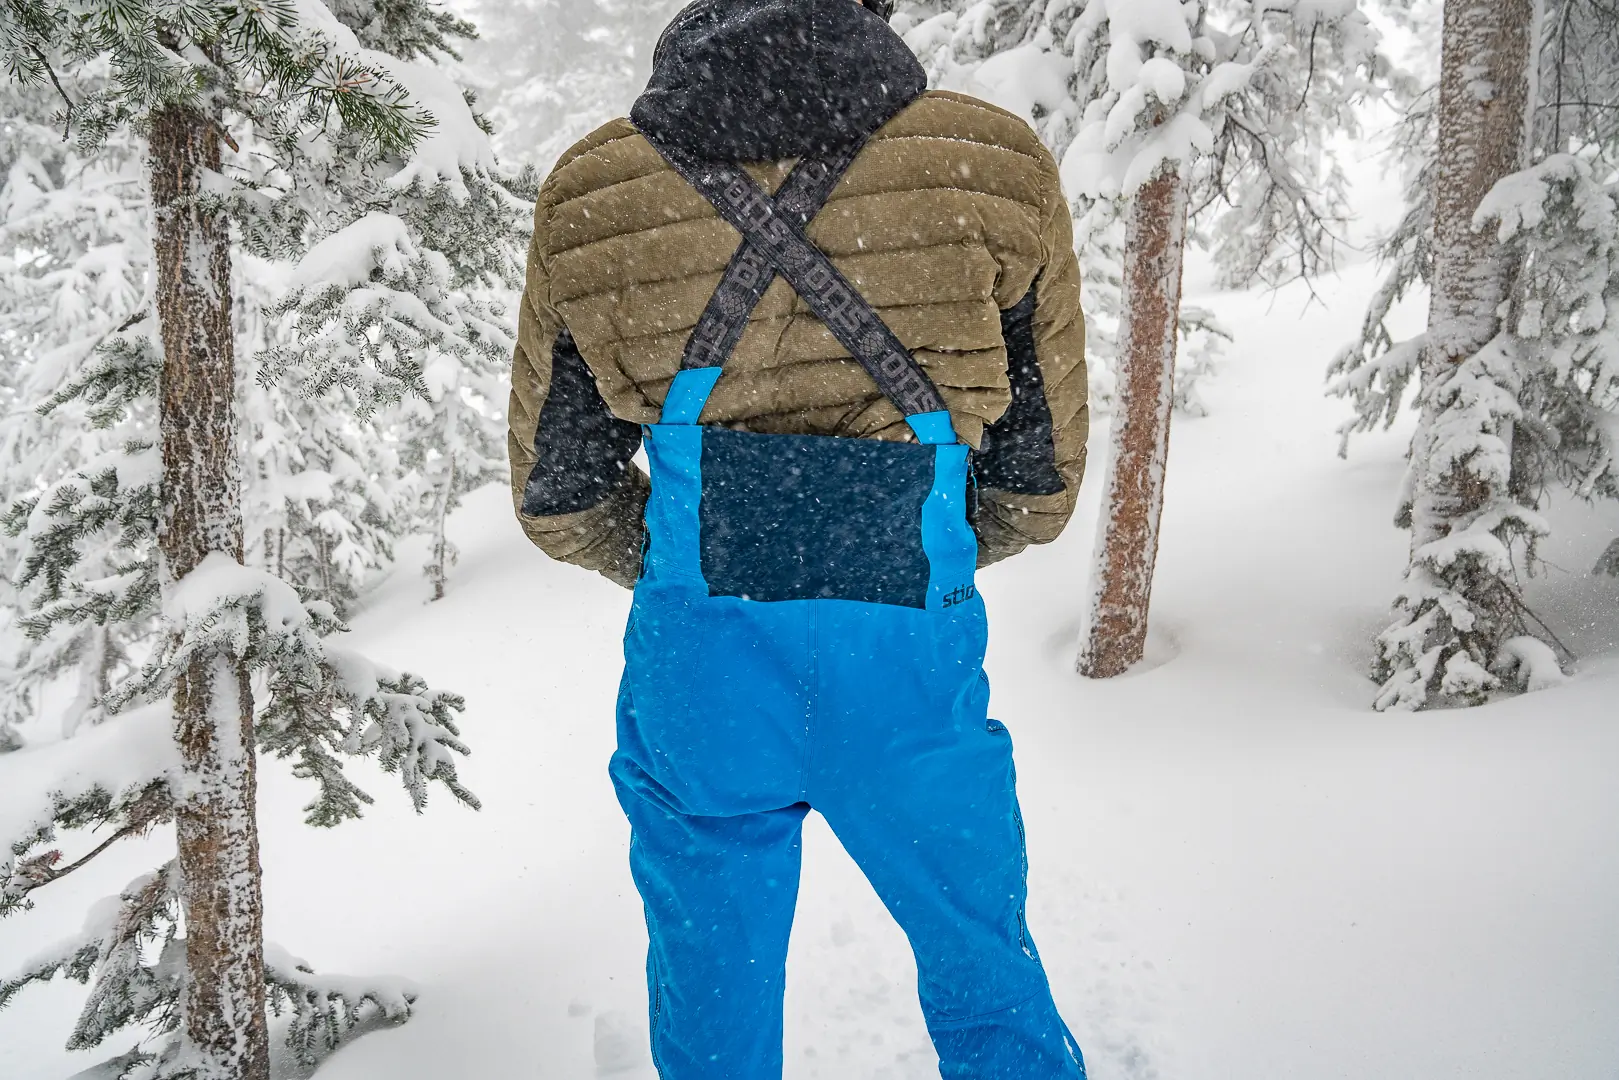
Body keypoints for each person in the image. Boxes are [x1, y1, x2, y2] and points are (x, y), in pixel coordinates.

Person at [506, 0, 1090, 1075]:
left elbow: (560, 496)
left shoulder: (593, 191)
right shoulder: (989, 163)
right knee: (981, 967)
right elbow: (1038, 482)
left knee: (711, 994)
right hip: (908, 670)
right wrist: (901, 542)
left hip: (705, 677)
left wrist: (707, 554)